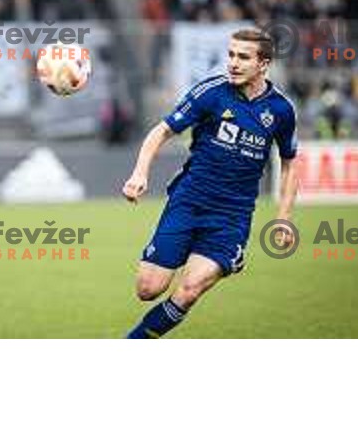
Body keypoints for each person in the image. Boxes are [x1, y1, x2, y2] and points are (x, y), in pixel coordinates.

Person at [123, 28, 299, 339]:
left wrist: (283, 218)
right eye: (230, 55)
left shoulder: (282, 110)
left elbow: (289, 163)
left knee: (189, 291)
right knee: (147, 289)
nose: (232, 62)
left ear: (263, 64)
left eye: (243, 57)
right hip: (188, 203)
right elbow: (161, 131)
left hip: (231, 217)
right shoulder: (211, 93)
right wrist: (140, 172)